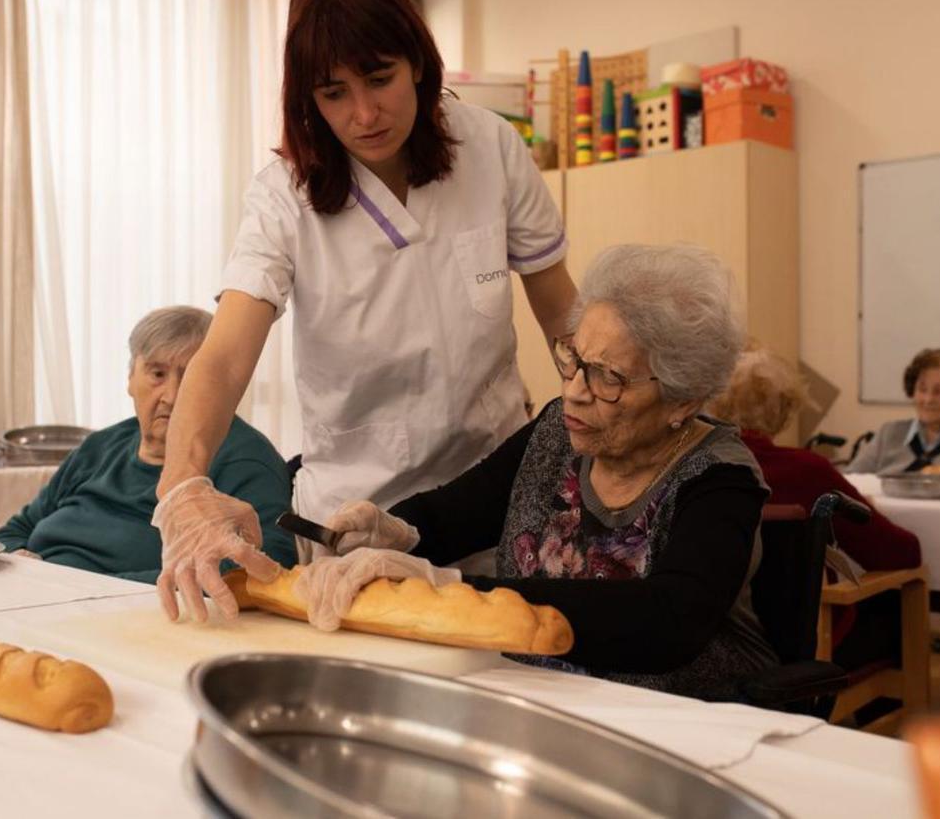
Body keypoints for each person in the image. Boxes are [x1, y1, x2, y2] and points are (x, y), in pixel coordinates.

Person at [152, 0, 578, 623]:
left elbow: (560, 311)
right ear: (308, 101)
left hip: (489, 505)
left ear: (418, 62)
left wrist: (613, 419)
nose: (365, 112)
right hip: (350, 531)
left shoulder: (490, 145)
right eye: (334, 93)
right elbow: (227, 354)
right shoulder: (284, 195)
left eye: (380, 78)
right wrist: (183, 482)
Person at [292, 245, 778, 702]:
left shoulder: (721, 479)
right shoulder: (557, 432)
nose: (574, 392)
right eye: (574, 360)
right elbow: (455, 513)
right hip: (536, 697)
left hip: (681, 721)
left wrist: (453, 589)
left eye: (608, 378)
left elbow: (666, 623)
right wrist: (395, 531)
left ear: (684, 399)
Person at [0, 306, 296, 582]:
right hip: (36, 595)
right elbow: (12, 532)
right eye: (157, 374)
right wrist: (26, 566)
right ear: (130, 379)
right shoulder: (99, 448)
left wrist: (93, 589)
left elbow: (267, 564)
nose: (173, 396)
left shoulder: (245, 459)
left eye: (190, 377)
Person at [709, 347, 921, 660]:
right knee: (891, 601)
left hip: (715, 639)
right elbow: (900, 552)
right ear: (784, 409)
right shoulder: (807, 471)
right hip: (804, 642)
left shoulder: (700, 465)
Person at [845, 348, 940, 474]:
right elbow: (850, 482)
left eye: (939, 392)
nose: (928, 399)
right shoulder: (889, 433)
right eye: (922, 389)